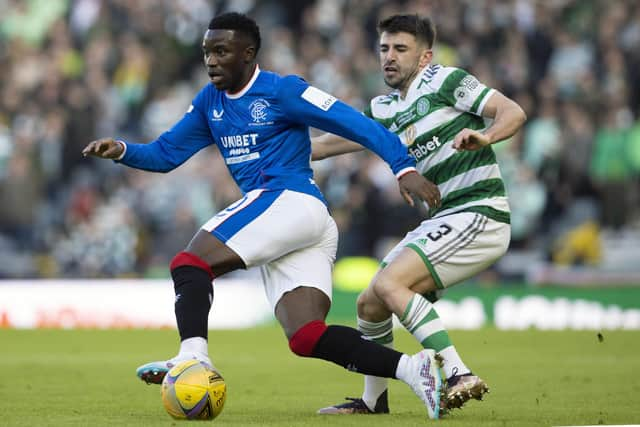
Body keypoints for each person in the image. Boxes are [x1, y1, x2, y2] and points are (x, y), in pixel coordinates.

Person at [82, 12, 446, 419]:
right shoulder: (209, 102)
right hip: (297, 223)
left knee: (189, 263)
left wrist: (404, 167)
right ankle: (415, 370)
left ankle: (192, 357)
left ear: (249, 53)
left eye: (221, 51)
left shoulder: (282, 90)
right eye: (206, 52)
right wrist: (124, 151)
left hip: (290, 200)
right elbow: (166, 154)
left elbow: (356, 124)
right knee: (306, 336)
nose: (212, 61)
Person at [312, 14, 526, 414]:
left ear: (425, 56)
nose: (388, 57)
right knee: (369, 303)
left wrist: (486, 135)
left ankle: (459, 373)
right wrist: (268, 146)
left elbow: (512, 112)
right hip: (445, 220)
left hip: (480, 212)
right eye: (383, 49)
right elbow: (325, 146)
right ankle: (374, 402)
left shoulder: (446, 81)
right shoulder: (385, 108)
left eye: (400, 49)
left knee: (392, 284)